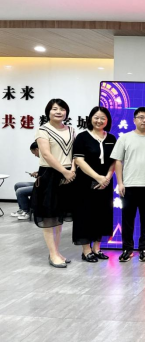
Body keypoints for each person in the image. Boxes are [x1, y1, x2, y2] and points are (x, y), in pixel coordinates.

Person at [110, 107, 145, 263]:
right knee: (127, 219)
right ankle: (127, 249)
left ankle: (144, 249)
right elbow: (118, 161)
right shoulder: (125, 138)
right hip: (129, 185)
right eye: (141, 117)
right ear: (134, 120)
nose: (144, 120)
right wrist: (120, 183)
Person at [32, 99, 76, 268]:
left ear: (66, 112)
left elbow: (75, 153)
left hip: (69, 175)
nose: (59, 112)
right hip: (50, 175)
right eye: (54, 109)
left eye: (62, 109)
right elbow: (46, 154)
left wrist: (72, 170)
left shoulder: (71, 129)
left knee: (59, 217)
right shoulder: (43, 130)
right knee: (49, 217)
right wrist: (64, 171)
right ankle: (52, 254)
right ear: (48, 112)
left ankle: (57, 252)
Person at [73, 106, 117, 262]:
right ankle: (86, 251)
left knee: (102, 214)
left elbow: (115, 161)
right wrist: (98, 177)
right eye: (96, 117)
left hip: (105, 183)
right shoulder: (82, 137)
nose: (99, 121)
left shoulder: (111, 138)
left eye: (103, 118)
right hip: (85, 182)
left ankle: (97, 248)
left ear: (107, 120)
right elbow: (79, 160)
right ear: (90, 118)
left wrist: (107, 177)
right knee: (85, 214)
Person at [11, 142, 40, 220]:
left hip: (43, 185)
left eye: (34, 153)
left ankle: (26, 211)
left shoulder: (48, 158)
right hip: (39, 182)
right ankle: (22, 209)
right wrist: (37, 173)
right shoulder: (43, 159)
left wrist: (38, 175)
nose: (35, 155)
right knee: (17, 185)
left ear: (37, 150)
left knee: (20, 191)